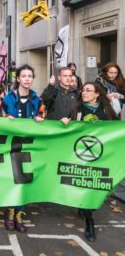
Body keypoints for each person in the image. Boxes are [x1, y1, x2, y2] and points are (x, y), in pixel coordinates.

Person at [64, 82, 118, 241]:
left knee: (93, 185)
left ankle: (88, 216)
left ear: (97, 94)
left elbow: (116, 129)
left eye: (88, 90)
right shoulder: (77, 108)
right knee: (84, 184)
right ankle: (88, 218)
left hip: (101, 155)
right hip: (81, 154)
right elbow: (68, 124)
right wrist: (66, 121)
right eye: (83, 90)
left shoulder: (107, 110)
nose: (84, 93)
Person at [2, 64, 44, 232]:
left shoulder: (37, 99)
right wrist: (6, 118)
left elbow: (42, 115)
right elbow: (0, 117)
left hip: (29, 146)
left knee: (25, 179)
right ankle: (10, 211)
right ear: (18, 78)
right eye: (24, 76)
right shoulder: (8, 99)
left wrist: (40, 118)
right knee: (12, 179)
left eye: (30, 76)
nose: (27, 79)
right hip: (11, 146)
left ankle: (20, 213)